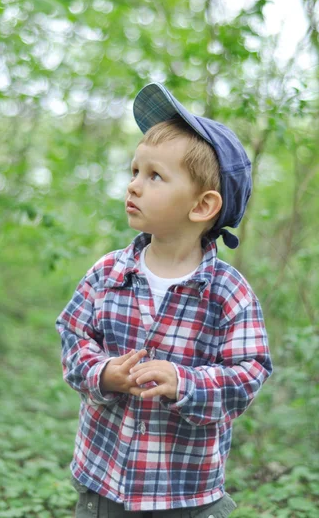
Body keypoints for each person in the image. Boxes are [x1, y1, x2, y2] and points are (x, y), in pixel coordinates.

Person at [56, 82, 272, 518]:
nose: (134, 186)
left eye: (154, 176)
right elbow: (73, 337)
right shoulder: (107, 273)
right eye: (134, 171)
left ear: (202, 206)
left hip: (184, 493)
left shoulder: (228, 293)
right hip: (104, 481)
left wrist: (185, 382)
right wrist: (102, 373)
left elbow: (249, 373)